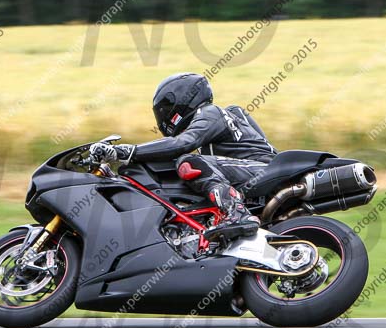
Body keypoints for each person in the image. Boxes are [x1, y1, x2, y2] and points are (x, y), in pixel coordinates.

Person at [89, 72, 277, 241]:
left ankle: (236, 214)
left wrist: (126, 152)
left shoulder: (210, 112)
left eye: (165, 108)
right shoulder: (227, 118)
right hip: (258, 172)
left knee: (188, 162)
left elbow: (183, 143)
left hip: (261, 170)